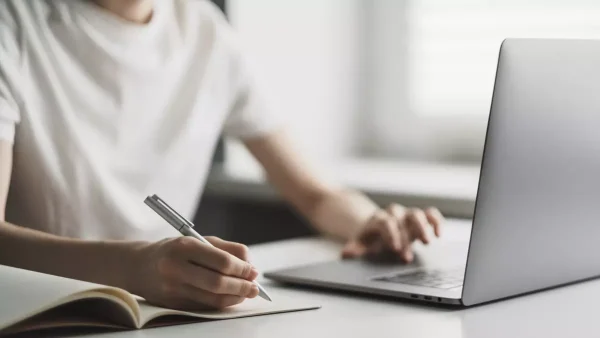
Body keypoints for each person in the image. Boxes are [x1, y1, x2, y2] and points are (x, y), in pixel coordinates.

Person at [0, 0, 444, 311]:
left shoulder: (203, 29)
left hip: (167, 313)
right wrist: (136, 267)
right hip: (45, 314)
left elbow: (314, 193)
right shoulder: (13, 23)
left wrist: (370, 223)